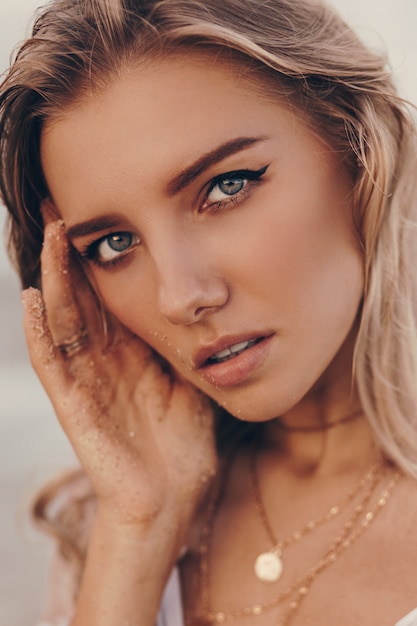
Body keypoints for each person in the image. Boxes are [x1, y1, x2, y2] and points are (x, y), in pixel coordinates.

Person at [1, 0, 417, 624]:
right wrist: (138, 529)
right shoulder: (111, 523)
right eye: (114, 245)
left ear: (358, 147)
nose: (181, 297)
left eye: (225, 187)